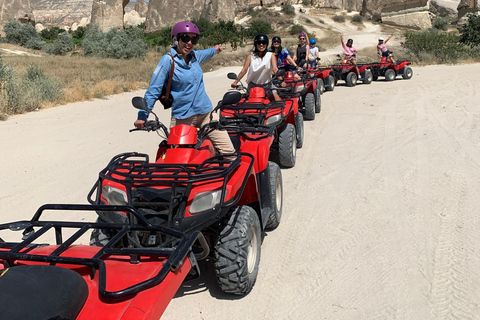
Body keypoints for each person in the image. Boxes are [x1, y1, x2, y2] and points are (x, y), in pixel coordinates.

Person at [134, 21, 235, 156]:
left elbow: (206, 53)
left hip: (206, 113)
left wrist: (215, 50)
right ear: (176, 39)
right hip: (183, 118)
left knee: (229, 153)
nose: (189, 43)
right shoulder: (168, 60)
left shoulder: (194, 56)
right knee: (178, 160)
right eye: (185, 38)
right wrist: (143, 115)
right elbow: (154, 89)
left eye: (194, 39)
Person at [230, 34, 283, 102]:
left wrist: (281, 81)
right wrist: (235, 82)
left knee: (278, 101)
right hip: (253, 86)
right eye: (259, 43)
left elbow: (275, 69)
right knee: (248, 105)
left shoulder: (270, 55)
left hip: (267, 86)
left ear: (266, 44)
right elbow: (244, 70)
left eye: (263, 43)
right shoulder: (250, 56)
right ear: (255, 44)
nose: (261, 45)